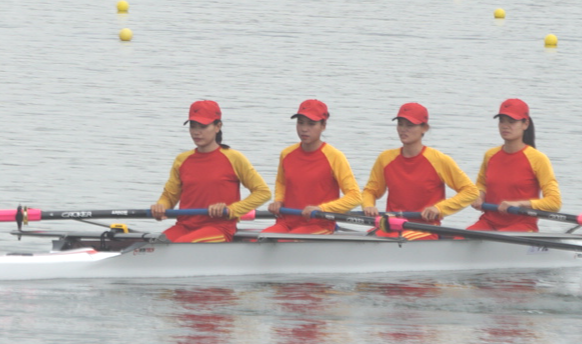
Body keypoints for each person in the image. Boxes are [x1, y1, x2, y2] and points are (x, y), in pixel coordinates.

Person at [151, 100, 270, 242]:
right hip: (184, 226)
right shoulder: (182, 160)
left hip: (219, 228)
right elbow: (169, 197)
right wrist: (160, 207)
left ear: (217, 126)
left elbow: (263, 192)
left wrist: (232, 210)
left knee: (182, 245)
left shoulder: (234, 158)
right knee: (156, 244)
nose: (196, 132)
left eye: (202, 126)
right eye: (192, 126)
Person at [361, 102, 477, 239]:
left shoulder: (439, 160)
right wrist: (369, 205)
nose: (403, 130)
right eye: (400, 124)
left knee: (380, 239)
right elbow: (371, 191)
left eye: (410, 125)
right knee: (367, 237)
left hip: (425, 228)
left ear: (424, 128)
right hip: (393, 225)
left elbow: (470, 192)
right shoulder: (385, 158)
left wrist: (439, 209)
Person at [260, 98, 361, 235]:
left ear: (323, 125)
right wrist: (278, 201)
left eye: (311, 124)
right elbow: (281, 183)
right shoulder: (286, 154)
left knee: (287, 242)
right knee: (260, 239)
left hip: (319, 224)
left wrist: (322, 209)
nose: (304, 129)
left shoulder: (335, 157)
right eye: (300, 123)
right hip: (286, 222)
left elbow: (355, 196)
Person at [467, 98, 562, 231]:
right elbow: (481, 184)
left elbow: (554, 202)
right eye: (502, 121)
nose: (505, 126)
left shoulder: (538, 159)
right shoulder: (490, 155)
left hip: (522, 226)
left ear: (525, 124)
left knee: (497, 242)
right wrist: (479, 195)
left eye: (511, 121)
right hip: (489, 222)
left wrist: (519, 204)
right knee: (460, 239)